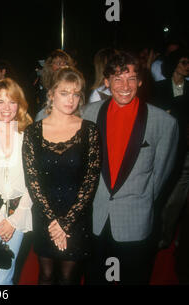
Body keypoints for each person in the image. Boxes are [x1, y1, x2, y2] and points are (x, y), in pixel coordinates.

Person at [83, 51, 179, 285]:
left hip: (135, 221)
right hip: (97, 218)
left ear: (140, 81)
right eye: (117, 79)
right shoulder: (89, 114)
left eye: (131, 79)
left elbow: (162, 175)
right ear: (106, 82)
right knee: (97, 279)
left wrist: (140, 200)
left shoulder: (164, 123)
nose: (125, 86)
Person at [23, 67, 101, 285]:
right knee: (46, 275)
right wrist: (52, 221)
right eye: (65, 93)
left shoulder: (90, 130)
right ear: (51, 94)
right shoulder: (32, 132)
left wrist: (66, 222)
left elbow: (90, 181)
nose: (71, 99)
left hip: (77, 217)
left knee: (69, 278)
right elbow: (33, 181)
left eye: (76, 94)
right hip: (44, 215)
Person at [0, 78, 33, 285]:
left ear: (19, 104)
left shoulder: (29, 136)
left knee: (3, 277)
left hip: (18, 213)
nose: (6, 107)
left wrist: (12, 221)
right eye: (0, 101)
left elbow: (34, 182)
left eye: (12, 101)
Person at [153, 48, 189, 249]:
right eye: (184, 62)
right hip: (162, 150)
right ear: (174, 64)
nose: (187, 66)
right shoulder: (159, 88)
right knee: (160, 193)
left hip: (184, 150)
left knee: (176, 199)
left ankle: (166, 236)